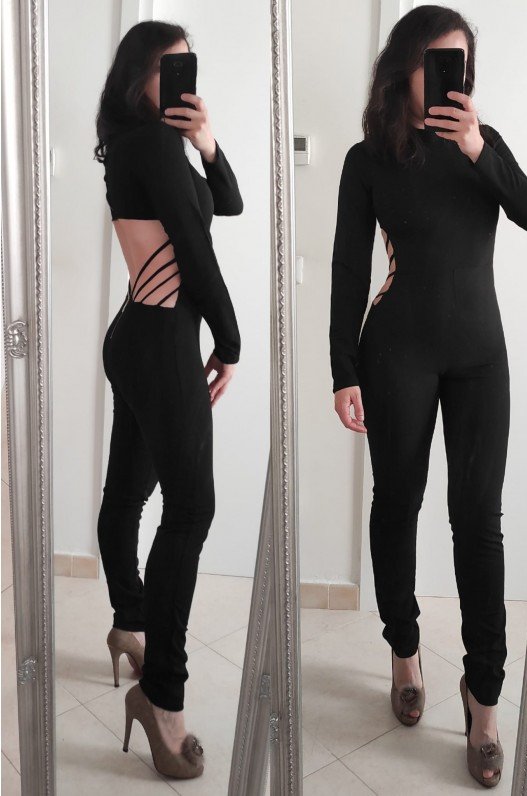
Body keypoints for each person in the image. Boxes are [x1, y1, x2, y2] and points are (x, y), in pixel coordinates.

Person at [329, 6, 527, 788]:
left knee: (478, 523)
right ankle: (404, 648)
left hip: (481, 357)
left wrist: (480, 148)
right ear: (406, 68)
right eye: (437, 61)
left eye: (461, 64)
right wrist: (343, 370)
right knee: (397, 504)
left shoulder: (483, 147)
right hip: (398, 353)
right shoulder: (368, 159)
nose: (451, 77)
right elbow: (348, 268)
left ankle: (483, 700)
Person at [94, 21, 243, 779]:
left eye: (191, 65)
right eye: (171, 67)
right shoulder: (151, 146)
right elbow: (196, 247)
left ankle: (131, 623)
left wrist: (207, 142)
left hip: (138, 336)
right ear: (138, 77)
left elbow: (228, 202)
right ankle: (163, 696)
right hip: (159, 343)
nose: (186, 77)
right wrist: (232, 340)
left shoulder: (144, 144)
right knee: (190, 509)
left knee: (129, 496)